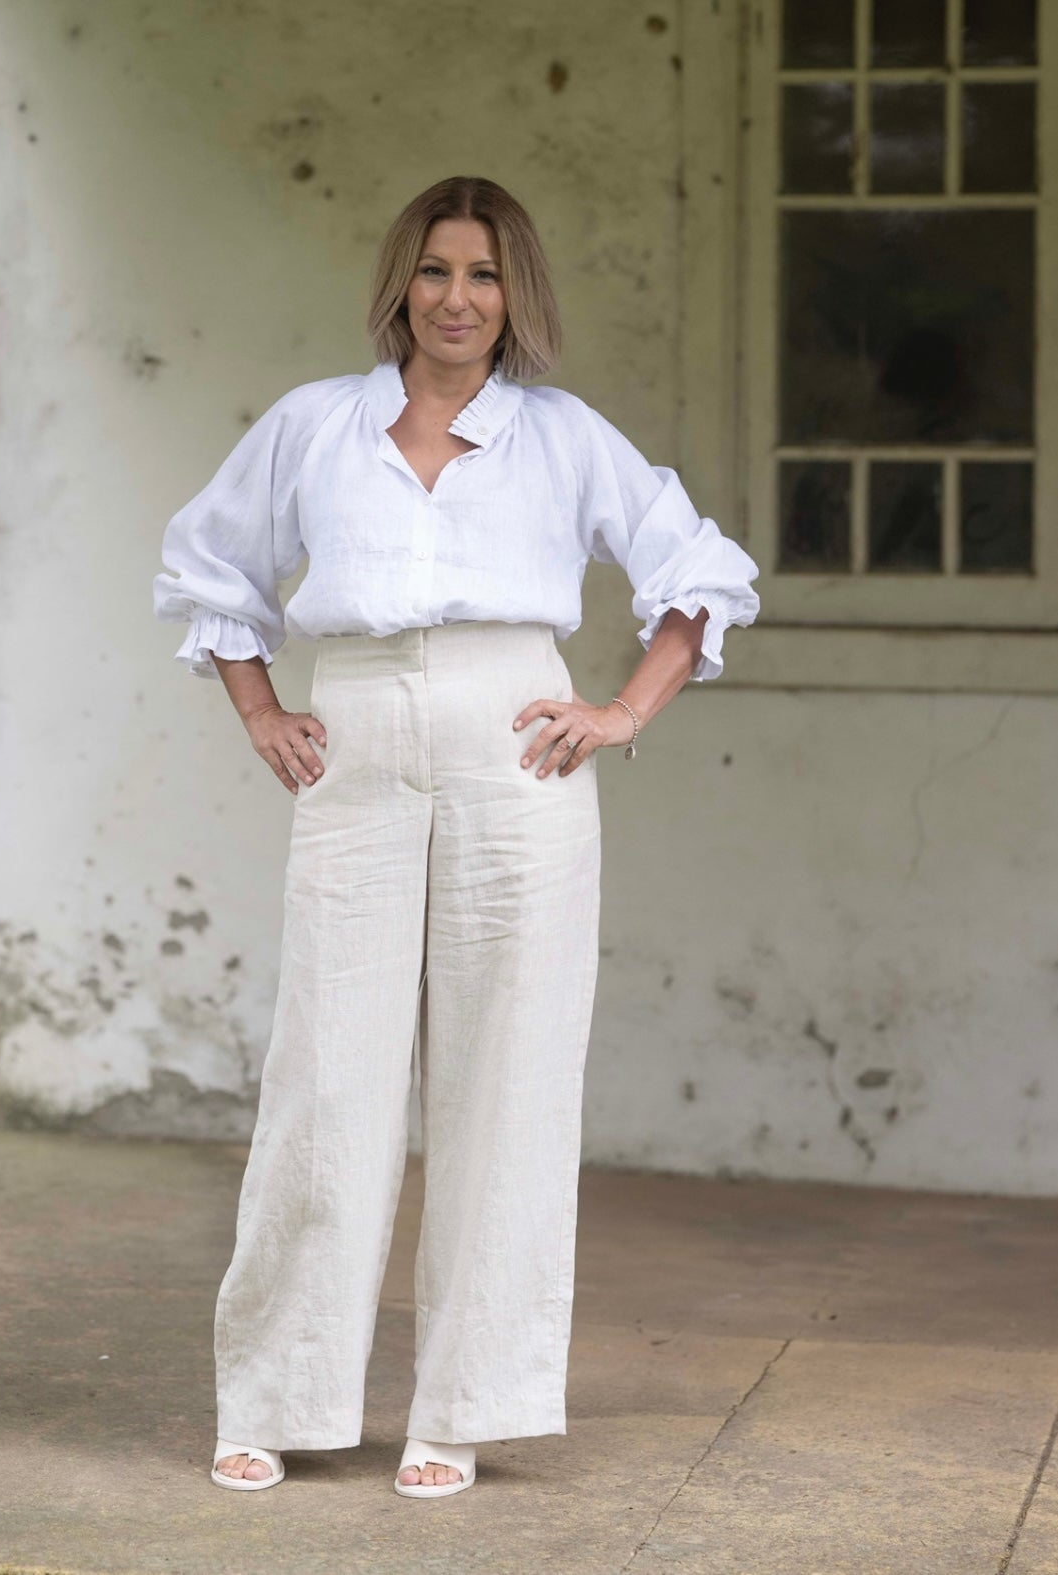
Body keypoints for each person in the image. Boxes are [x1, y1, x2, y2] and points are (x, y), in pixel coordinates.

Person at [153, 175, 760, 1499]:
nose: (456, 300)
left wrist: (619, 713)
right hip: (358, 737)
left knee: (508, 1079)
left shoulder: (560, 436)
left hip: (513, 746)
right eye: (434, 271)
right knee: (327, 1077)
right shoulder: (316, 426)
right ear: (400, 284)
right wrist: (258, 706)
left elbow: (696, 569)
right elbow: (209, 564)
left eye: (484, 276)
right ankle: (275, 1393)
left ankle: (461, 1409)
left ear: (515, 298)